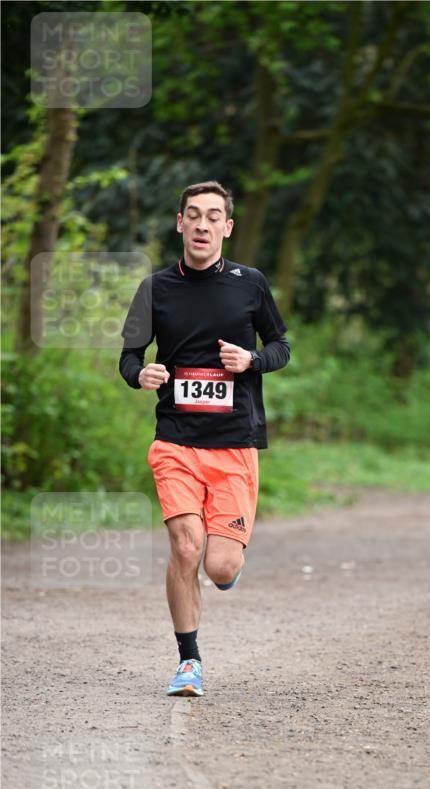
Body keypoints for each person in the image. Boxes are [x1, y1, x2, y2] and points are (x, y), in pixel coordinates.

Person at [119, 181, 290, 696]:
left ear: (227, 227)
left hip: (234, 442)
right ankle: (188, 661)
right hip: (175, 439)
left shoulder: (250, 283)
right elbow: (129, 356)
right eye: (193, 215)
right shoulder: (155, 288)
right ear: (179, 223)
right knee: (185, 546)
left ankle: (227, 563)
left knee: (218, 566)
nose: (201, 225)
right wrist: (139, 375)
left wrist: (253, 360)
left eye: (213, 216)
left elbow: (281, 344)